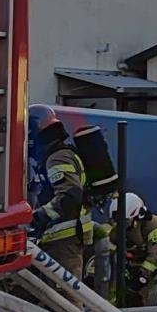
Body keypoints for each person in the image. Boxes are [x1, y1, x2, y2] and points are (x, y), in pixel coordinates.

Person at [27, 105, 91, 279]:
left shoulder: (57, 157)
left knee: (67, 296)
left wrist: (37, 217)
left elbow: (69, 196)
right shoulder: (58, 153)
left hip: (64, 237)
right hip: (62, 235)